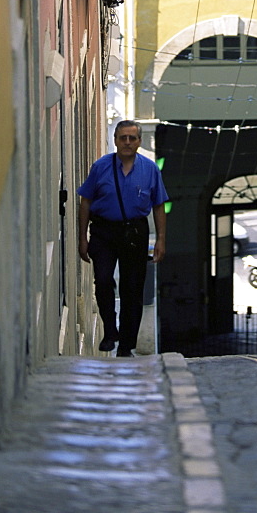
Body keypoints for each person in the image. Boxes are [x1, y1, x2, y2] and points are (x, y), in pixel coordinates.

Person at [78, 120, 169, 357]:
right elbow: (85, 202)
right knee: (104, 280)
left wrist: (160, 240)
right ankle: (110, 331)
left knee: (133, 289)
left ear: (139, 141)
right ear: (115, 140)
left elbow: (159, 205)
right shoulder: (100, 167)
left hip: (135, 232)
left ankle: (126, 345)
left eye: (132, 138)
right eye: (123, 138)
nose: (127, 142)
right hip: (103, 231)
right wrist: (82, 238)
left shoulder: (150, 169)